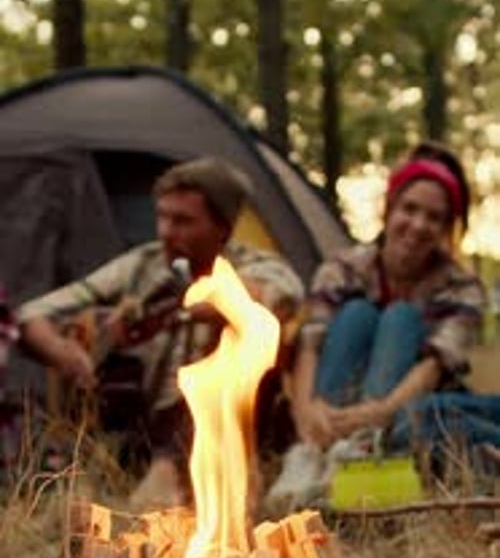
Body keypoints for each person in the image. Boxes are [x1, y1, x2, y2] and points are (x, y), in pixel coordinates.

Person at [17, 156, 304, 510]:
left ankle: (175, 480)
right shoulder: (143, 264)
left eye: (183, 221)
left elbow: (279, 293)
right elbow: (31, 314)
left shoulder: (258, 265)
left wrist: (211, 300)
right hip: (141, 424)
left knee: (228, 350)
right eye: (163, 217)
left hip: (224, 425)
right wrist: (66, 352)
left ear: (222, 228)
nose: (167, 231)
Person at [265, 141, 491, 511]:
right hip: (335, 398)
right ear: (388, 210)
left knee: (400, 316)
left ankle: (358, 448)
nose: (418, 225)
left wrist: (381, 410)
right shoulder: (343, 267)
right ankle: (312, 453)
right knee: (357, 314)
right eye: (410, 209)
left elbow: (435, 365)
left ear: (448, 228)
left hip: (400, 406)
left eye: (434, 218)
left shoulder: (463, 289)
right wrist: (308, 409)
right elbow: (310, 342)